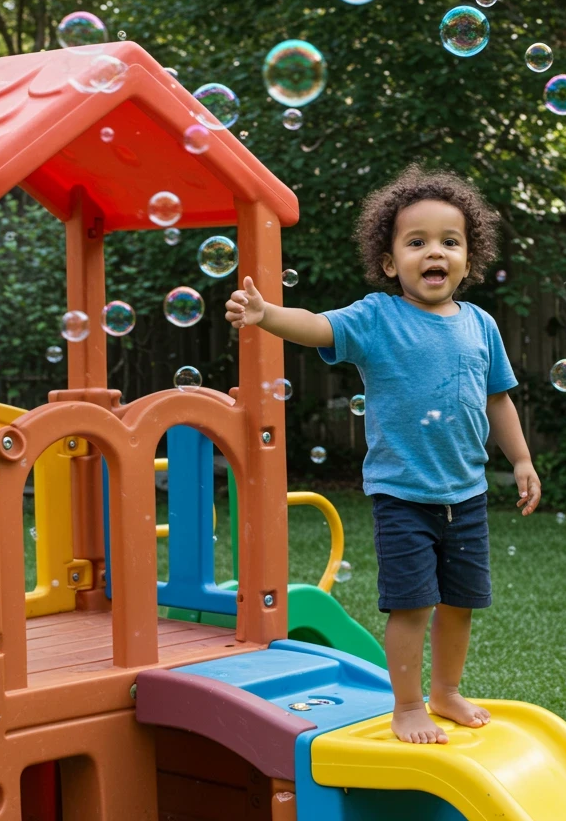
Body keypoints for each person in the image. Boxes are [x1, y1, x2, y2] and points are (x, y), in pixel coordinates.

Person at [225, 164, 541, 745]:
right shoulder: (377, 316)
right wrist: (267, 315)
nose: (434, 252)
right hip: (402, 495)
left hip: (465, 494)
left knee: (460, 604)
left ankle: (445, 690)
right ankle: (408, 705)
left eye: (449, 241)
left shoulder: (481, 326)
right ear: (391, 261)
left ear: (468, 259)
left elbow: (498, 398)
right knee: (413, 607)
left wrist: (520, 459)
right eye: (416, 242)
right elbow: (318, 327)